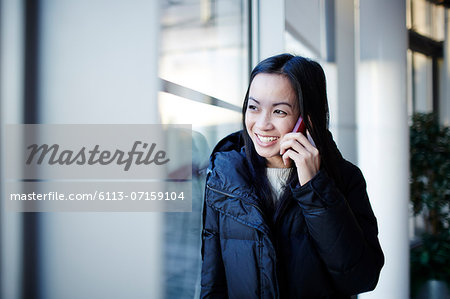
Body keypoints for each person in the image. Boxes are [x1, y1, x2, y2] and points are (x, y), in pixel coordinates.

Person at [200, 54, 384, 298]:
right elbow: (213, 282)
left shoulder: (344, 179)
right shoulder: (225, 177)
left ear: (306, 119)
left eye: (279, 111)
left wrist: (314, 187)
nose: (262, 124)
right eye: (253, 107)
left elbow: (361, 277)